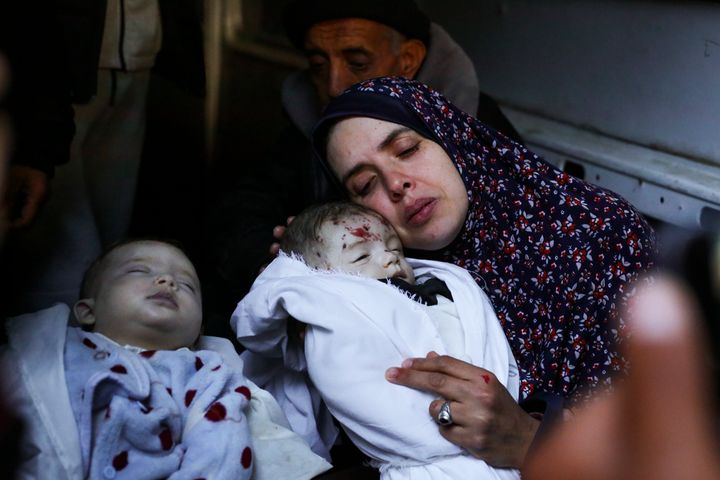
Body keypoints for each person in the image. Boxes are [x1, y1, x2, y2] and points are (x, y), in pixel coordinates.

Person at [310, 76, 656, 467]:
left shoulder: (599, 235)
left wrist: (531, 440)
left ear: (451, 137)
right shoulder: (373, 272)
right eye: (365, 184)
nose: (396, 184)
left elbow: (657, 443)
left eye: (406, 150)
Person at [206, 0, 521, 333]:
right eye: (318, 64)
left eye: (357, 62)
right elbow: (242, 208)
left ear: (408, 60)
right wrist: (275, 262)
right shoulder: (308, 130)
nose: (334, 85)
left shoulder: (478, 129)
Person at [234, 201, 521, 479]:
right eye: (361, 257)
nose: (389, 257)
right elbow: (365, 396)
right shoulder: (332, 314)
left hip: (504, 446)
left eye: (395, 248)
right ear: (316, 281)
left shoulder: (445, 292)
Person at [1, 239, 332, 480]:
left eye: (187, 285)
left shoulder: (202, 374)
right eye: (138, 270)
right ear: (87, 309)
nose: (167, 281)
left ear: (197, 330)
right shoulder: (48, 352)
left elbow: (221, 450)